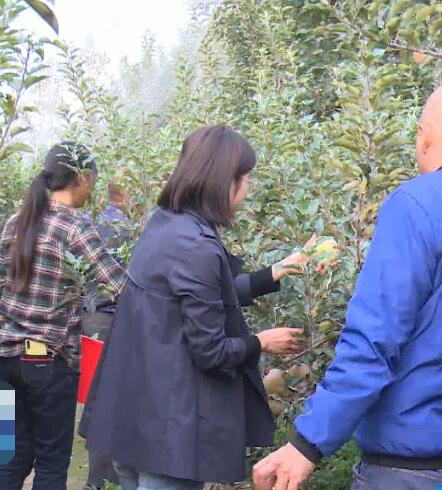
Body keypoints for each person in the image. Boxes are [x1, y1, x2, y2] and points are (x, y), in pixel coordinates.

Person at [253, 80, 442, 490]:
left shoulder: (416, 204)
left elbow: (373, 342)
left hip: (411, 474)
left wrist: (308, 443)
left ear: (424, 138)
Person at [80, 125, 310, 490]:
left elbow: (191, 300)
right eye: (246, 178)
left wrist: (273, 273)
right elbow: (211, 351)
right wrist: (261, 342)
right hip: (169, 440)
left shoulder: (166, 226)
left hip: (135, 423)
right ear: (224, 181)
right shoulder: (196, 246)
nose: (248, 190)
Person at [0, 142, 126, 490]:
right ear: (81, 178)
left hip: (4, 364)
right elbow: (120, 285)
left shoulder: (15, 223)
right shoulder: (74, 227)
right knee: (52, 463)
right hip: (46, 363)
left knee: (6, 459)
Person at [82, 182, 133, 490]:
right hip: (110, 320)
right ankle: (102, 481)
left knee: (94, 401)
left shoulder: (95, 223)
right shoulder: (125, 228)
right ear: (126, 195)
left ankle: (96, 480)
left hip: (89, 318)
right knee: (107, 403)